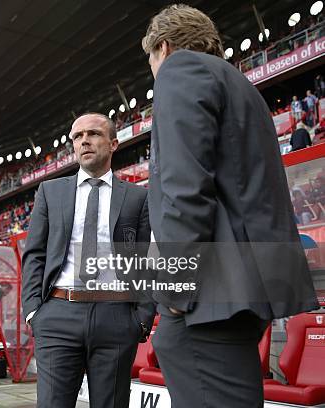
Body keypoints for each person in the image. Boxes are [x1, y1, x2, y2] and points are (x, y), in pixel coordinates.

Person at [142, 5, 319, 407]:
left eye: (150, 59)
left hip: (210, 295)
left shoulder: (179, 71)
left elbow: (185, 189)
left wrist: (174, 283)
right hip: (246, 288)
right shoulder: (240, 85)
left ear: (163, 48)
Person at [21, 112, 155, 408]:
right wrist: (34, 312)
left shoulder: (137, 197)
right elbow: (35, 255)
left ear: (113, 144)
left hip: (116, 316)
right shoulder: (50, 191)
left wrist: (141, 318)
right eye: (77, 137)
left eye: (93, 134)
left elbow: (145, 260)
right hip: (57, 313)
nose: (84, 141)